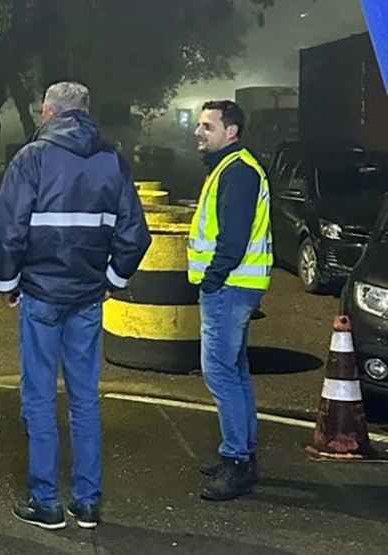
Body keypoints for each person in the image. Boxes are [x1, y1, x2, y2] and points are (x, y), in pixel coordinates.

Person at [0, 82, 151, 530]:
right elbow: (135, 234)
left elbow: (6, 230)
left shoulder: (32, 159)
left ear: (48, 111)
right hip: (87, 296)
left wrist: (8, 282)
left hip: (41, 293)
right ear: (86, 111)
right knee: (85, 399)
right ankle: (88, 501)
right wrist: (112, 280)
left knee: (39, 397)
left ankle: (46, 501)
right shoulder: (112, 160)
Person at [188, 100, 272, 501]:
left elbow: (233, 240)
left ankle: (237, 461)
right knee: (235, 373)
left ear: (231, 131)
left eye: (207, 125)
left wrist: (211, 280)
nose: (198, 132)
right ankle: (242, 454)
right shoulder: (233, 167)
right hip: (237, 286)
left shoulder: (237, 172)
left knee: (219, 372)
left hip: (229, 287)